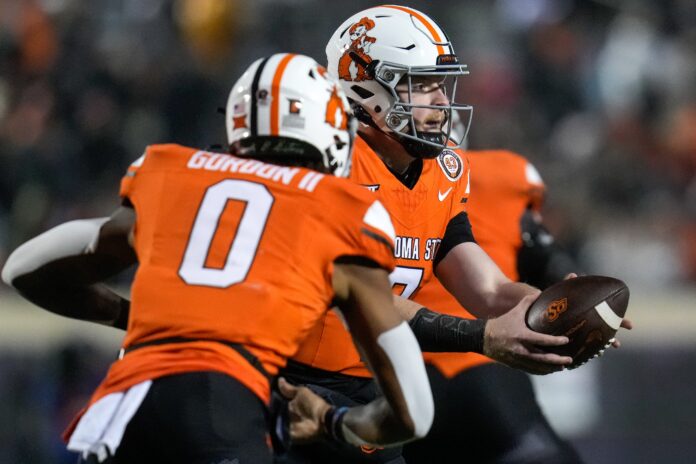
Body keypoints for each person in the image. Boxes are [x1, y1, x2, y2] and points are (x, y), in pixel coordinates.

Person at [1, 53, 436, 463]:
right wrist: (330, 421)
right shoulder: (344, 210)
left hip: (125, 403)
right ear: (333, 131)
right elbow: (413, 413)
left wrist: (140, 320)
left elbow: (23, 268)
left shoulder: (173, 172)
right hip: (221, 407)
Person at [278, 6, 616, 464]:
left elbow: (489, 288)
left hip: (366, 382)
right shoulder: (332, 164)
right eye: (420, 84)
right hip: (285, 379)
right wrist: (483, 337)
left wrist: (552, 313)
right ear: (363, 85)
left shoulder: (445, 170)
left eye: (440, 83)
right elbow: (360, 297)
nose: (440, 101)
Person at [402, 149, 587, 463]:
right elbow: (542, 255)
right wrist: (572, 296)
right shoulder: (505, 173)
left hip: (397, 369)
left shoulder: (364, 174)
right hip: (480, 366)